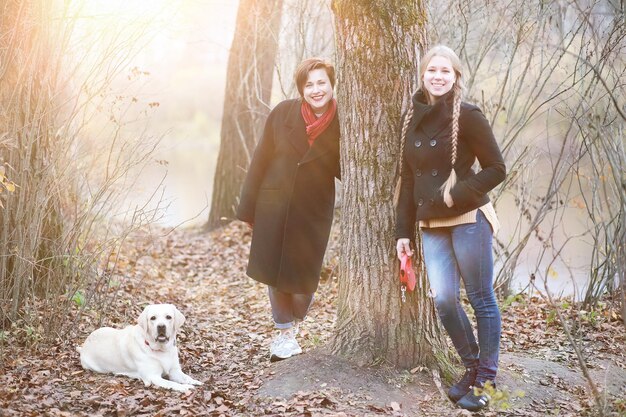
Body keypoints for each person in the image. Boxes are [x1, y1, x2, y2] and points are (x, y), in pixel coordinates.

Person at [395, 45, 506, 412]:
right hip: (430, 223)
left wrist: (454, 194)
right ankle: (472, 368)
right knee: (443, 300)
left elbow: (495, 169)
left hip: (468, 217)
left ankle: (486, 380)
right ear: (423, 74)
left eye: (446, 71)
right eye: (432, 70)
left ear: (456, 77)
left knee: (480, 297)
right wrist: (402, 234)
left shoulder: (469, 116)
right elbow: (408, 179)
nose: (438, 76)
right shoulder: (412, 117)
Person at [236, 58, 340, 362]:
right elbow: (261, 159)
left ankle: (293, 321)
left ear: (332, 85)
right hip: (274, 203)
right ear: (301, 89)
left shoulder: (343, 122)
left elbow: (351, 169)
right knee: (275, 270)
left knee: (304, 281)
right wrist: (249, 207)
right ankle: (283, 334)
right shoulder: (282, 113)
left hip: (314, 210)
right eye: (309, 84)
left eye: (322, 83)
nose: (316, 89)